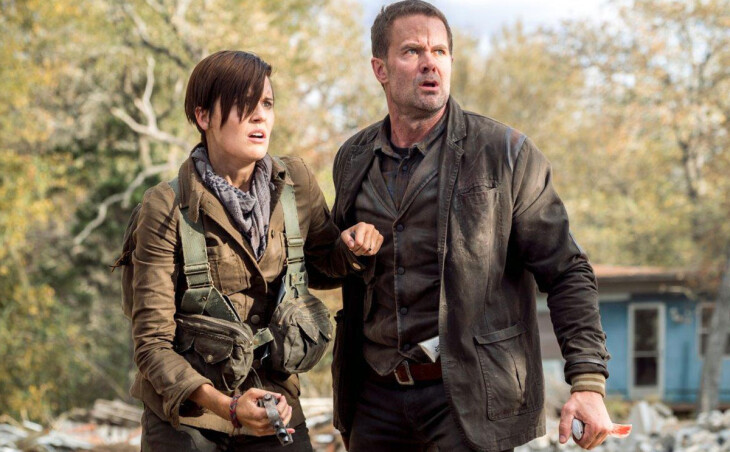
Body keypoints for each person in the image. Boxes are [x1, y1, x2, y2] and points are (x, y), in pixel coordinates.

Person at [329, 1, 612, 451]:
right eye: (412, 51)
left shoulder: (506, 152)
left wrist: (588, 381)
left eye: (440, 52)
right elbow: (328, 267)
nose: (430, 63)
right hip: (376, 397)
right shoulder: (353, 158)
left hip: (471, 400)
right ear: (380, 69)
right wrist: (345, 249)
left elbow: (566, 271)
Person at [128, 50, 383, 451]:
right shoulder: (165, 207)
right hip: (190, 418)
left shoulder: (295, 182)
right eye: (245, 105)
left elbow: (323, 266)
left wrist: (353, 247)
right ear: (203, 117)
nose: (260, 116)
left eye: (267, 103)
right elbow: (152, 345)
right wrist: (228, 407)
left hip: (275, 403)